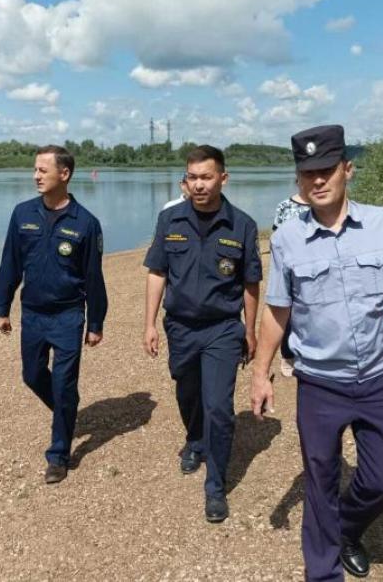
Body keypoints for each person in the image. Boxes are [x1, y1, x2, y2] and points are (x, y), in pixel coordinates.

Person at [250, 125, 383, 581]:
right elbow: (276, 312)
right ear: (298, 179)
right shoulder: (288, 238)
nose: (317, 180)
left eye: (326, 170)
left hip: (378, 378)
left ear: (347, 169)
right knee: (320, 482)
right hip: (319, 383)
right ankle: (323, 571)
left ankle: (347, 527)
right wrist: (261, 372)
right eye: (306, 172)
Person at [143, 145, 262, 523]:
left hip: (223, 329)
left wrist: (252, 330)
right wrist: (148, 324)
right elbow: (157, 272)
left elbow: (251, 283)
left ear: (223, 178)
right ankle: (195, 441)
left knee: (219, 407)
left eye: (206, 177)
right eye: (192, 177)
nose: (198, 185)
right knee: (187, 390)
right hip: (180, 326)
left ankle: (216, 487)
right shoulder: (170, 221)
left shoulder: (241, 225)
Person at [0, 145, 108, 485]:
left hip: (68, 315)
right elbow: (10, 264)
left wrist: (96, 322)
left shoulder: (86, 223)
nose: (36, 176)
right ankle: (66, 408)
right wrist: (2, 306)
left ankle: (58, 454)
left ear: (65, 174)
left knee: (64, 380)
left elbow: (94, 278)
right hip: (32, 314)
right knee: (32, 376)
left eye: (43, 170)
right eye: (35, 170)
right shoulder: (22, 214)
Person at [271, 189, 311, 378]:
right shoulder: (284, 206)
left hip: (316, 266)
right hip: (290, 266)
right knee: (286, 310)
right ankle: (287, 355)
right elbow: (275, 238)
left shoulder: (323, 204)